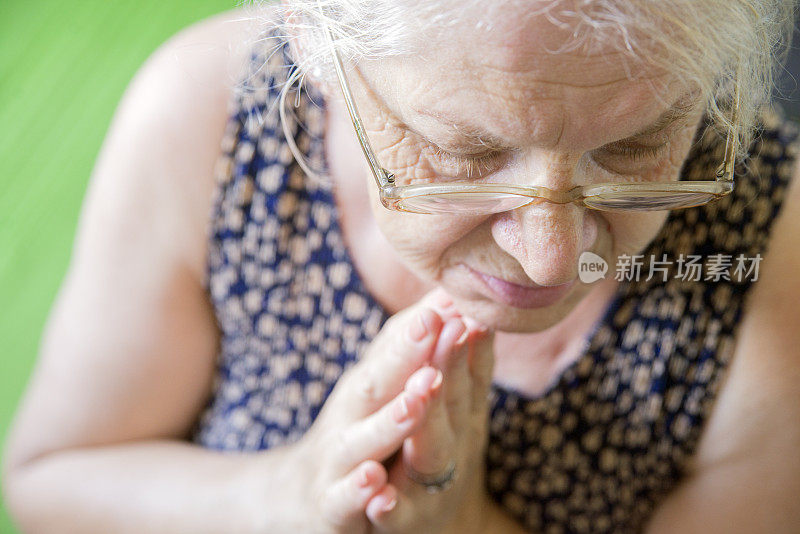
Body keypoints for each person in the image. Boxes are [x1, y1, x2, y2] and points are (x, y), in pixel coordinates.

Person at [3, 1, 800, 532]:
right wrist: (283, 496)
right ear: (313, 43)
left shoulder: (769, 247)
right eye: (466, 152)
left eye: (637, 145)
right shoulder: (209, 124)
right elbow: (47, 484)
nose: (552, 257)